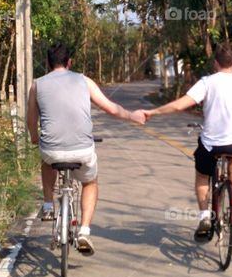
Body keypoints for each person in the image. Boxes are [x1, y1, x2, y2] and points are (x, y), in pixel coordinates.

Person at [27, 41, 145, 255]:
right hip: (82, 150)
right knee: (90, 182)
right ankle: (84, 231)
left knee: (45, 160)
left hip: (51, 150)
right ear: (69, 62)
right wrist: (132, 116)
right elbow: (111, 108)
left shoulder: (37, 84)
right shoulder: (84, 81)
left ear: (47, 62)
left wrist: (35, 138)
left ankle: (47, 205)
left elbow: (31, 119)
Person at [143, 43, 232, 242]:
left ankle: (204, 217)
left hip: (210, 144)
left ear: (215, 63)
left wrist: (153, 112)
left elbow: (180, 105)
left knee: (202, 175)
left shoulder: (207, 82)